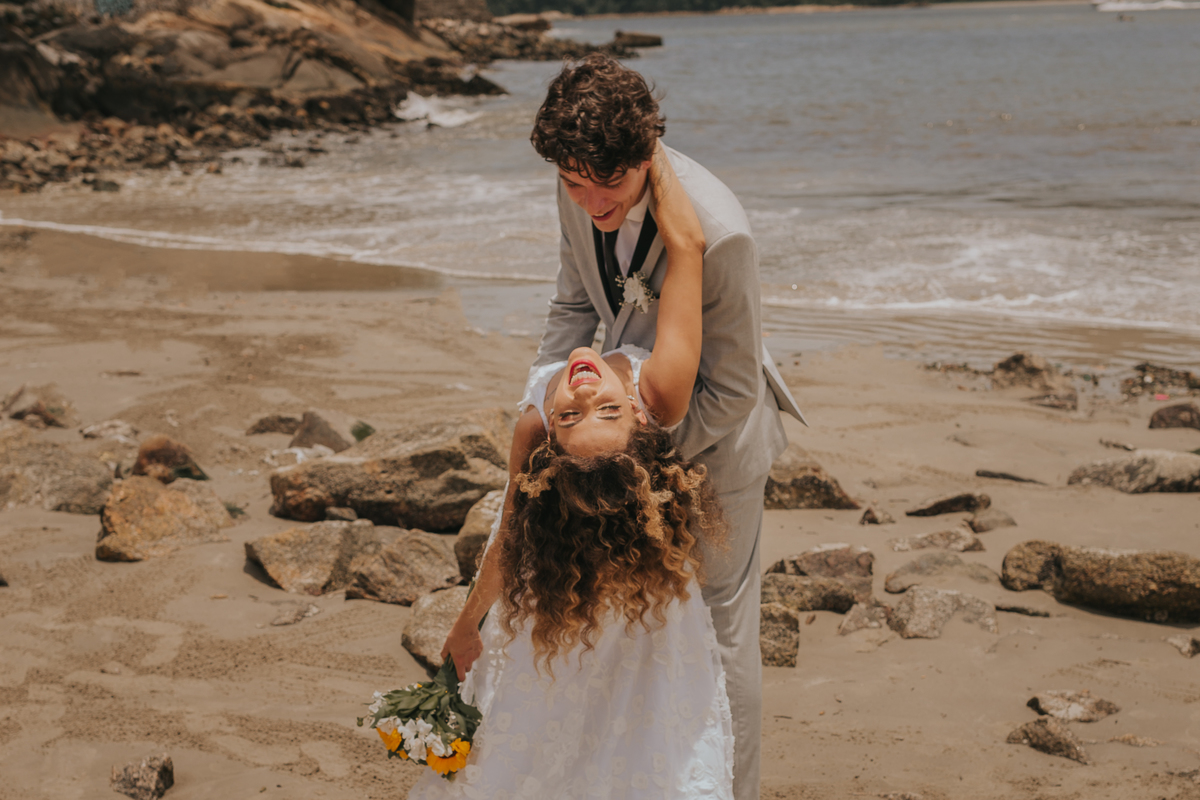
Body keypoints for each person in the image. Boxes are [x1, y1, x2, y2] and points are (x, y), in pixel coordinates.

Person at [522, 54, 804, 800]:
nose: (589, 202)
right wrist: (547, 405)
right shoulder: (578, 185)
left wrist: (631, 453)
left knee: (717, 631)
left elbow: (735, 390)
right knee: (637, 626)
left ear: (644, 151)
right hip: (612, 429)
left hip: (714, 448)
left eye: (605, 184)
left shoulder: (720, 232)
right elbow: (573, 307)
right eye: (572, 183)